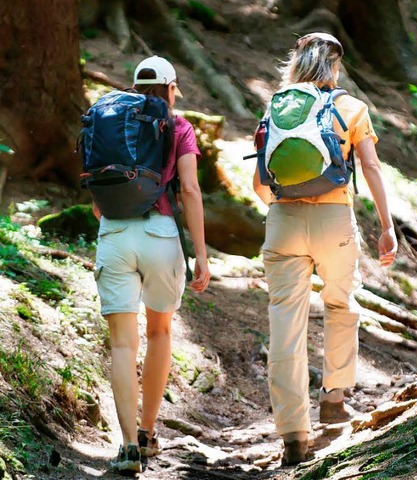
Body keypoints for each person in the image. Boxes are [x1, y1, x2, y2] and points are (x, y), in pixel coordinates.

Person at [252, 33, 398, 465]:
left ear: (296, 63)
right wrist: (387, 227)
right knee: (340, 304)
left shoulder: (276, 108)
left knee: (285, 326)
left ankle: (294, 436)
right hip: (335, 220)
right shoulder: (351, 108)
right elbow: (369, 166)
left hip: (283, 222)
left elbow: (260, 182)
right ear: (334, 66)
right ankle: (334, 401)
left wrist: (283, 212)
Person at [92, 55, 211, 474]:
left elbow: (96, 202)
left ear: (135, 87)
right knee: (160, 332)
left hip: (115, 235)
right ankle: (146, 432)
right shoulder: (179, 127)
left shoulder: (112, 123)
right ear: (172, 88)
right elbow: (191, 190)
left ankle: (125, 447)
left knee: (123, 343)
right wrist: (201, 252)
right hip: (161, 236)